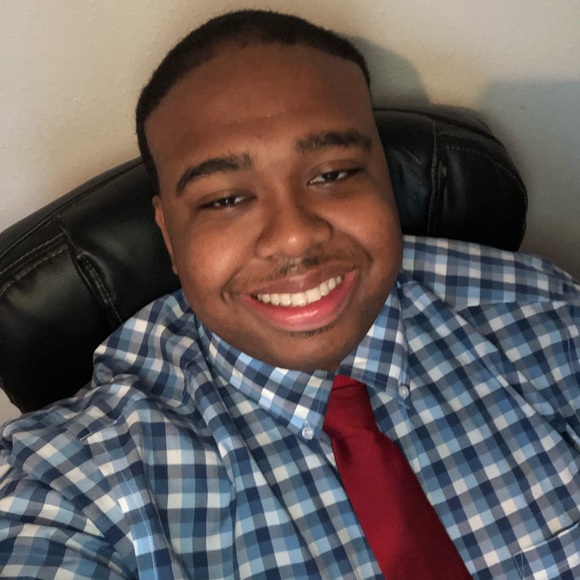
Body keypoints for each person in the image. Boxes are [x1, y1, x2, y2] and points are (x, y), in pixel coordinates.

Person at [0, 9, 578, 579]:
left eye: (333, 174)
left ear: (383, 174)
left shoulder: (547, 318)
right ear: (168, 236)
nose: (295, 235)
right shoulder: (73, 478)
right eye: (224, 199)